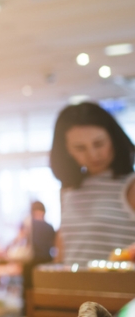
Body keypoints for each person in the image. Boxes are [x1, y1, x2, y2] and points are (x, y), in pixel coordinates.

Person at [50, 102, 135, 264]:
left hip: (118, 287)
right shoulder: (69, 190)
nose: (93, 155)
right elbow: (63, 255)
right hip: (74, 287)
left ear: (113, 139)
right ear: (67, 150)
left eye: (99, 143)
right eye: (80, 148)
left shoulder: (131, 186)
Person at [9, 201, 57, 312]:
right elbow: (54, 247)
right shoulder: (49, 227)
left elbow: (19, 239)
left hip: (30, 265)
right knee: (44, 294)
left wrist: (9, 249)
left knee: (29, 293)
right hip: (46, 265)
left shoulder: (28, 224)